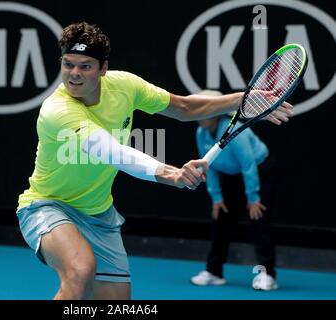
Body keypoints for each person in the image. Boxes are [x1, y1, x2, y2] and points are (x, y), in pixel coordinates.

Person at [16, 22, 291, 299]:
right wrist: (172, 174)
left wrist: (242, 100)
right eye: (68, 64)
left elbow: (183, 107)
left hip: (98, 213)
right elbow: (113, 153)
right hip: (48, 206)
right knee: (80, 270)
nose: (74, 74)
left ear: (103, 68)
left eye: (85, 66)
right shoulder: (57, 109)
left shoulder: (125, 86)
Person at [190, 90, 279, 291]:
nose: (199, 114)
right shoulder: (201, 133)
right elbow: (207, 165)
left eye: (204, 108)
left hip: (261, 173)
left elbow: (249, 165)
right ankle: (214, 272)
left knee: (258, 221)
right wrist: (216, 197)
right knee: (221, 219)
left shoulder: (234, 131)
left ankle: (268, 276)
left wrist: (253, 198)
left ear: (215, 111)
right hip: (232, 177)